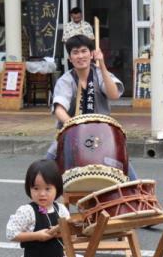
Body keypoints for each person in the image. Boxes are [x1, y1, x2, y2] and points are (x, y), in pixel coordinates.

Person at [46, 34, 137, 179]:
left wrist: (102, 64)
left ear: (91, 54)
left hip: (101, 134)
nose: (80, 56)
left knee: (123, 166)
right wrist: (73, 126)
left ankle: (135, 191)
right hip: (72, 136)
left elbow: (114, 94)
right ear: (70, 58)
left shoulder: (100, 74)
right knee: (47, 164)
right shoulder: (66, 80)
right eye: (75, 53)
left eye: (84, 51)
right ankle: (43, 198)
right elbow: (59, 109)